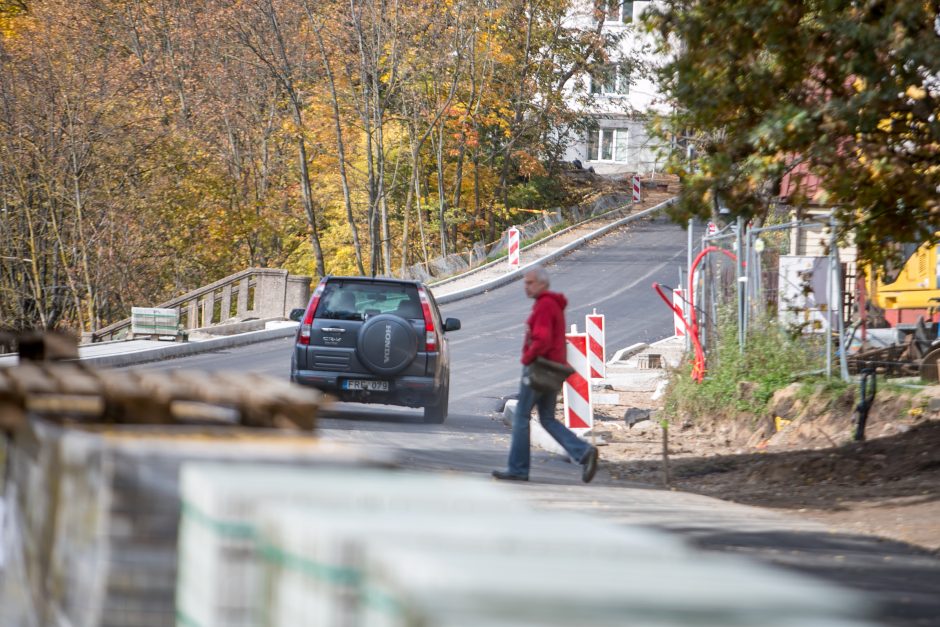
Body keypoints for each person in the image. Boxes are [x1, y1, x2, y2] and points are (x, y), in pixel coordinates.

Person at [492, 266, 599, 483]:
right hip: (553, 369)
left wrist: (527, 358)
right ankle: (583, 452)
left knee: (521, 417)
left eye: (530, 282)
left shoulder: (544, 305)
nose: (526, 286)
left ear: (542, 283)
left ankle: (518, 469)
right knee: (548, 419)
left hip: (539, 368)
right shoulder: (552, 305)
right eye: (525, 282)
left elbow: (542, 339)